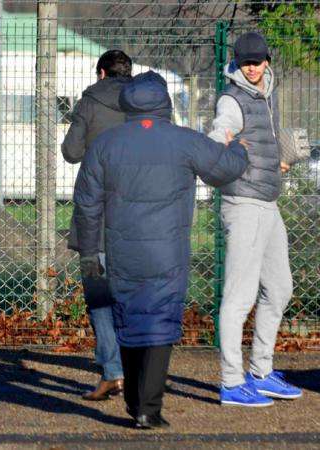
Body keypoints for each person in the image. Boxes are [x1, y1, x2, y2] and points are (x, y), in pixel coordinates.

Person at [73, 71, 248, 429]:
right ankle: (148, 409)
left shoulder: (106, 144)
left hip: (121, 252)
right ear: (165, 103)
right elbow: (225, 170)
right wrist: (238, 150)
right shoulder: (184, 140)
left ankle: (134, 401)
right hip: (168, 253)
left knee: (129, 318)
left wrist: (89, 253)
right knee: (160, 322)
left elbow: (86, 204)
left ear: (128, 104)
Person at [208, 31, 302, 406]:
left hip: (269, 202)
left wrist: (276, 159)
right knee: (238, 297)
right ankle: (232, 382)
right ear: (237, 62)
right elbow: (219, 137)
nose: (251, 67)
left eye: (257, 60)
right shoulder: (233, 98)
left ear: (267, 60)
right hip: (244, 204)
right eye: (245, 61)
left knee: (280, 289)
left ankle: (261, 372)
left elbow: (264, 140)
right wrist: (228, 147)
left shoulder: (268, 91)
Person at [62, 50, 133, 401]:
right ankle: (137, 371)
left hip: (95, 218)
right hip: (137, 219)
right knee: (134, 298)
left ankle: (112, 372)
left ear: (101, 73)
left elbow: (71, 151)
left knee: (99, 297)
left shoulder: (90, 102)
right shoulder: (144, 106)